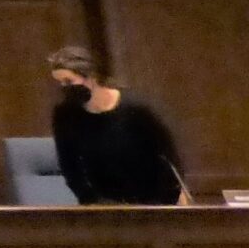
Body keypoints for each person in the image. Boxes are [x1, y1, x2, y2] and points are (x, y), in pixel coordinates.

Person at [48, 46, 186, 205]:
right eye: (60, 83)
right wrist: (94, 203)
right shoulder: (65, 115)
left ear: (91, 76)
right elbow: (70, 168)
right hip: (104, 207)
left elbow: (170, 155)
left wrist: (175, 197)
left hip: (155, 202)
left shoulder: (136, 108)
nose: (64, 88)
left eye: (68, 81)